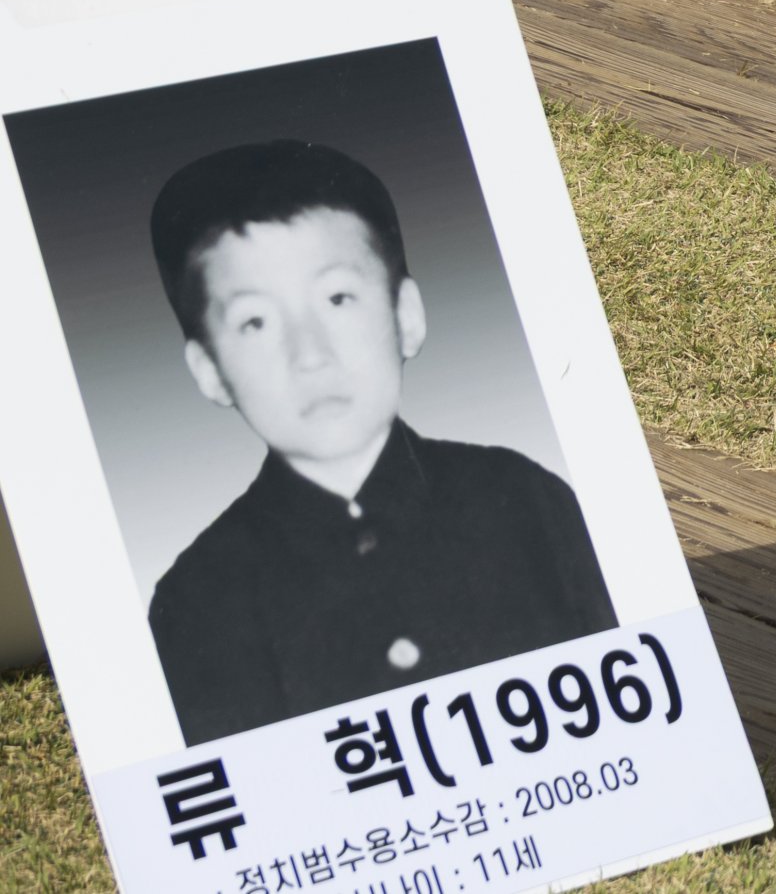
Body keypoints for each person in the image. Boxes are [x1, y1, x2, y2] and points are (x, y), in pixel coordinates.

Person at [140, 139, 613, 745]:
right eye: (255, 322)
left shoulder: (526, 500)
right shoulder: (196, 601)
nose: (310, 355)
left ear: (406, 316)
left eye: (338, 299)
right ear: (209, 369)